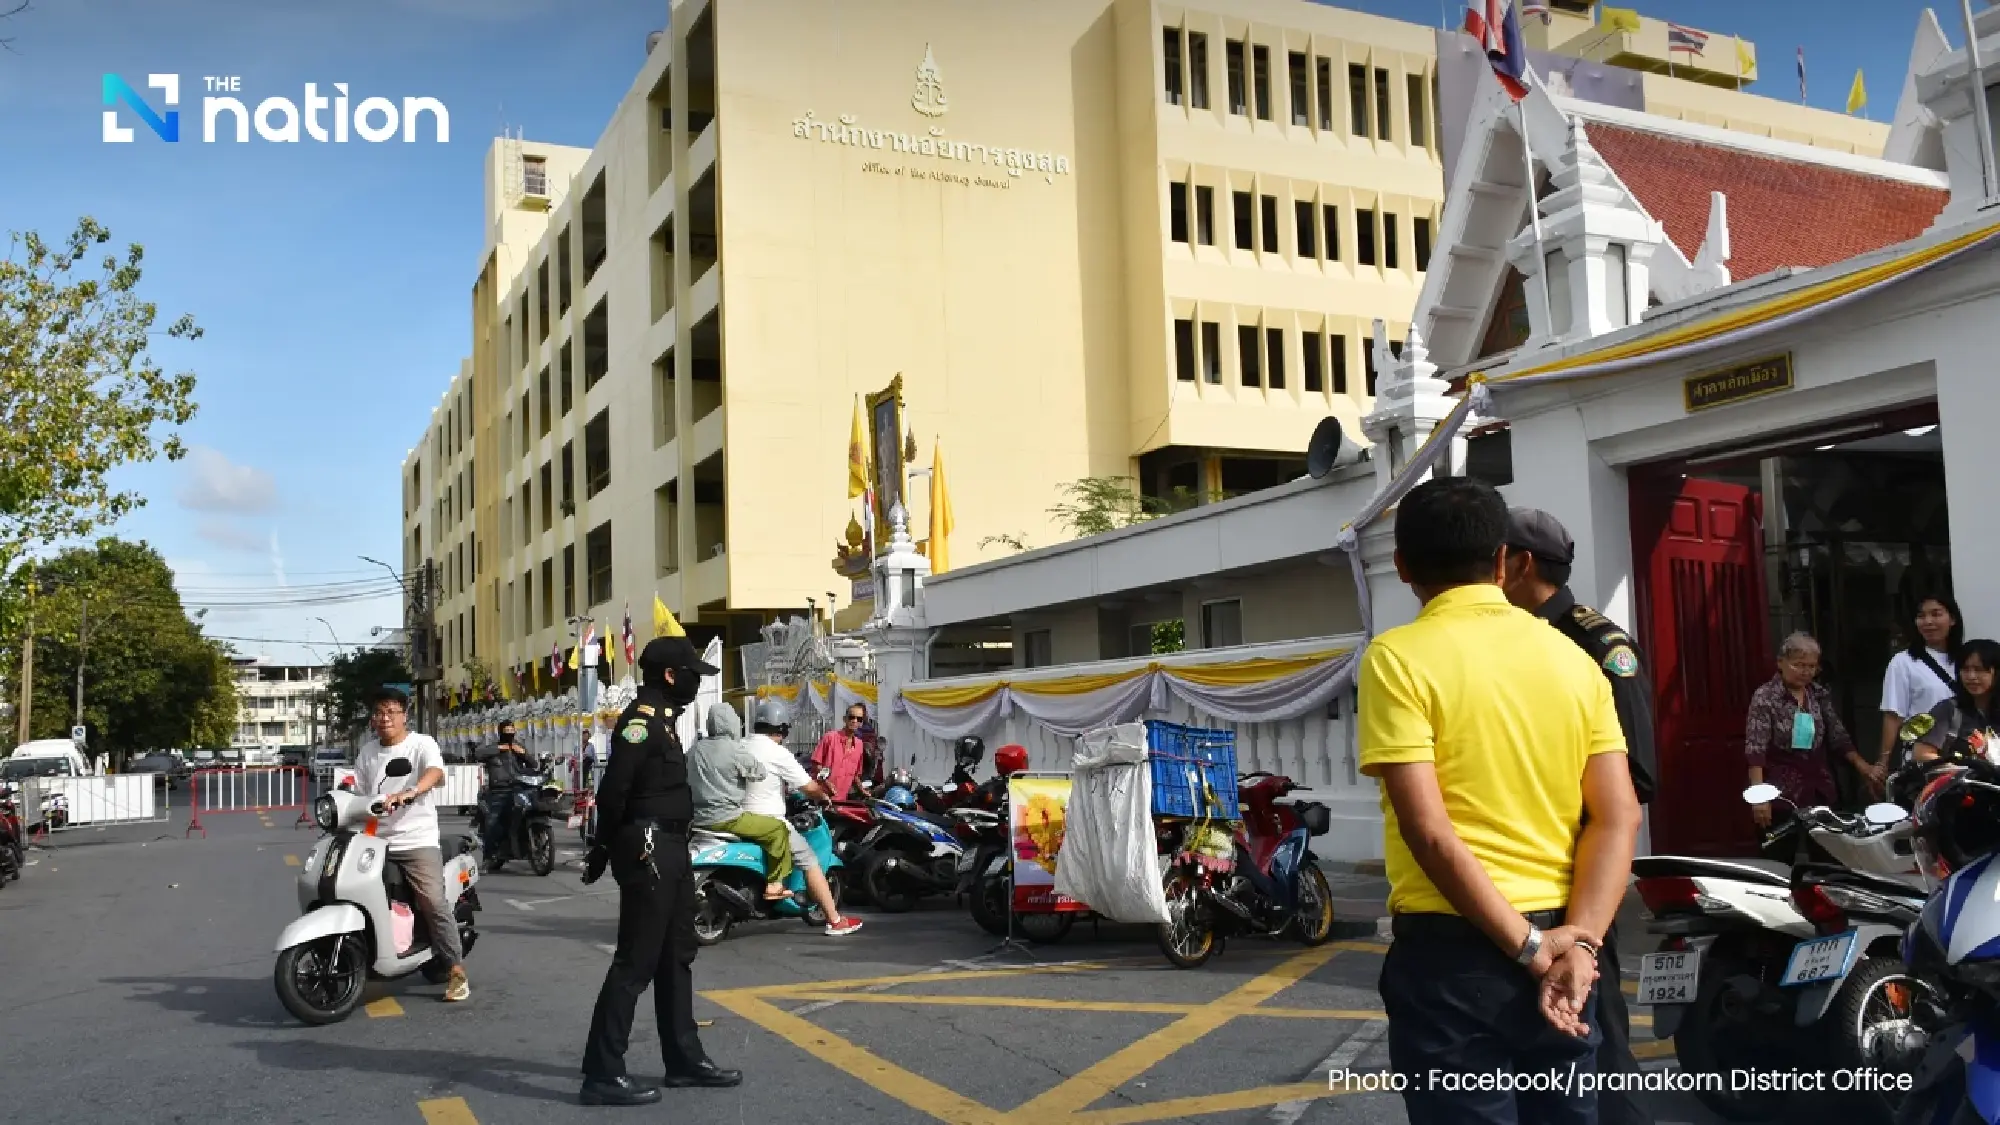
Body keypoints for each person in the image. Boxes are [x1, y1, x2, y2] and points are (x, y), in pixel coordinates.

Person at [1360, 477, 1640, 1125]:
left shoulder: (1397, 657)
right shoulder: (1574, 660)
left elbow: (1430, 833)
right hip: (1570, 938)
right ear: (1501, 561)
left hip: (1456, 951)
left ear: (1402, 567)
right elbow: (1618, 813)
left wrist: (1528, 948)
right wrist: (1581, 947)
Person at [1498, 507, 1651, 1125]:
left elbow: (1633, 772)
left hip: (1576, 864)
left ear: (1521, 563)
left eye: (1496, 558)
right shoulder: (1509, 636)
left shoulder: (1595, 643)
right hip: (1518, 868)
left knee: (1597, 1024)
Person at [577, 633, 740, 1107]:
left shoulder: (665, 721)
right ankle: (603, 1072)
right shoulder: (640, 724)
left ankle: (684, 1061)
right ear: (670, 676)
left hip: (671, 845)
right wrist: (603, 847)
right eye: (691, 674)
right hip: (648, 847)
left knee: (676, 957)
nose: (695, 683)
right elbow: (614, 793)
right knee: (636, 962)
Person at [353, 687, 468, 1003]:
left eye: (391, 711)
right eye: (379, 712)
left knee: (432, 900)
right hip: (375, 841)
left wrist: (411, 792)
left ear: (405, 716)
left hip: (416, 840)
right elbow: (359, 794)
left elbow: (435, 772)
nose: (385, 717)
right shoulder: (367, 753)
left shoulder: (421, 744)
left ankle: (456, 971)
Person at [741, 699, 863, 936]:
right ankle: (835, 920)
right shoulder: (778, 753)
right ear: (783, 728)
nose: (855, 722)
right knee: (809, 861)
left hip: (739, 817)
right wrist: (822, 795)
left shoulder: (740, 746)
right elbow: (808, 786)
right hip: (769, 819)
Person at [1744, 633, 1863, 860]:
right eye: (1798, 665)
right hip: (1780, 788)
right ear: (1781, 662)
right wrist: (1759, 796)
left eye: (1811, 666)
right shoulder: (1765, 697)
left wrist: (1863, 767)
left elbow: (1838, 735)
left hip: (1819, 787)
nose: (1805, 671)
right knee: (1780, 856)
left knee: (1828, 856)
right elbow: (1755, 748)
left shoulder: (1818, 694)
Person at [686, 702, 796, 902]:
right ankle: (775, 884)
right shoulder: (734, 750)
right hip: (728, 818)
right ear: (733, 724)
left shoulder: (695, 750)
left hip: (697, 819)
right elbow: (759, 773)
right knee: (777, 829)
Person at [1879, 594, 1963, 776]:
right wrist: (1883, 763)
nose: (1928, 621)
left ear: (1953, 619)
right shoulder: (1903, 662)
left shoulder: (1966, 660)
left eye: (1936, 614)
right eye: (1921, 616)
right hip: (1924, 760)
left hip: (1967, 758)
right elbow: (1893, 715)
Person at [1913, 638, 2000, 763]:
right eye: (1965, 669)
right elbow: (1922, 754)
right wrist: (1963, 767)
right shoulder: (1947, 709)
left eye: (1979, 669)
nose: (1971, 676)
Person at [475, 720, 542, 866]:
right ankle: (488, 857)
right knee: (492, 822)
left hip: (518, 788)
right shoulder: (493, 747)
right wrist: (500, 748)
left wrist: (523, 753)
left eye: (512, 730)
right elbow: (478, 754)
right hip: (499, 791)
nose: (510, 733)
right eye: (507, 730)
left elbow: (534, 765)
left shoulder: (518, 747)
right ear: (501, 732)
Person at [812, 703, 869, 801]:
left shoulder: (859, 745)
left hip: (841, 800)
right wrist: (827, 782)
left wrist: (862, 790)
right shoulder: (830, 737)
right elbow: (816, 764)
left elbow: (855, 775)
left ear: (861, 723)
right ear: (845, 719)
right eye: (852, 717)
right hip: (821, 796)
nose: (855, 721)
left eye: (859, 719)